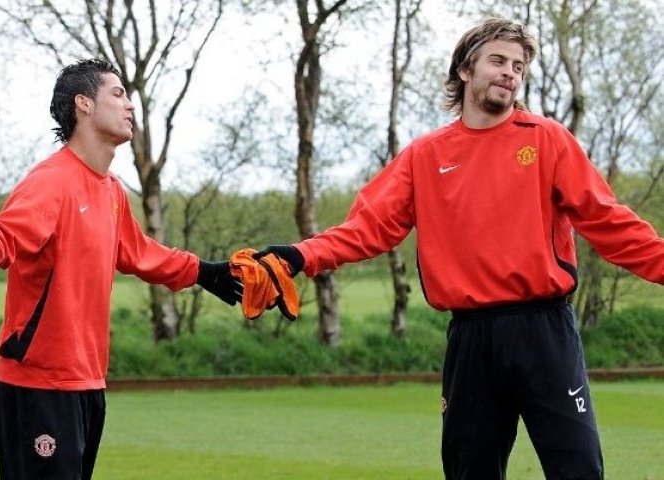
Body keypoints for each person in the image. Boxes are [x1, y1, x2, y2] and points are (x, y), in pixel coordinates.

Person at [254, 17, 664, 480]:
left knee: (578, 471)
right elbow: (366, 228)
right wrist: (297, 256)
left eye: (518, 65)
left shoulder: (546, 139)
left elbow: (608, 220)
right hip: (471, 339)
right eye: (498, 60)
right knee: (470, 473)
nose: (510, 72)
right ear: (466, 71)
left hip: (543, 332)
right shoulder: (425, 156)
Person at [0, 58, 242, 479]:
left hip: (87, 383)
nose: (130, 105)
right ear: (83, 104)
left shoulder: (112, 192)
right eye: (118, 94)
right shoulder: (52, 180)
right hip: (37, 385)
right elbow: (10, 231)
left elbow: (141, 252)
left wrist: (203, 272)